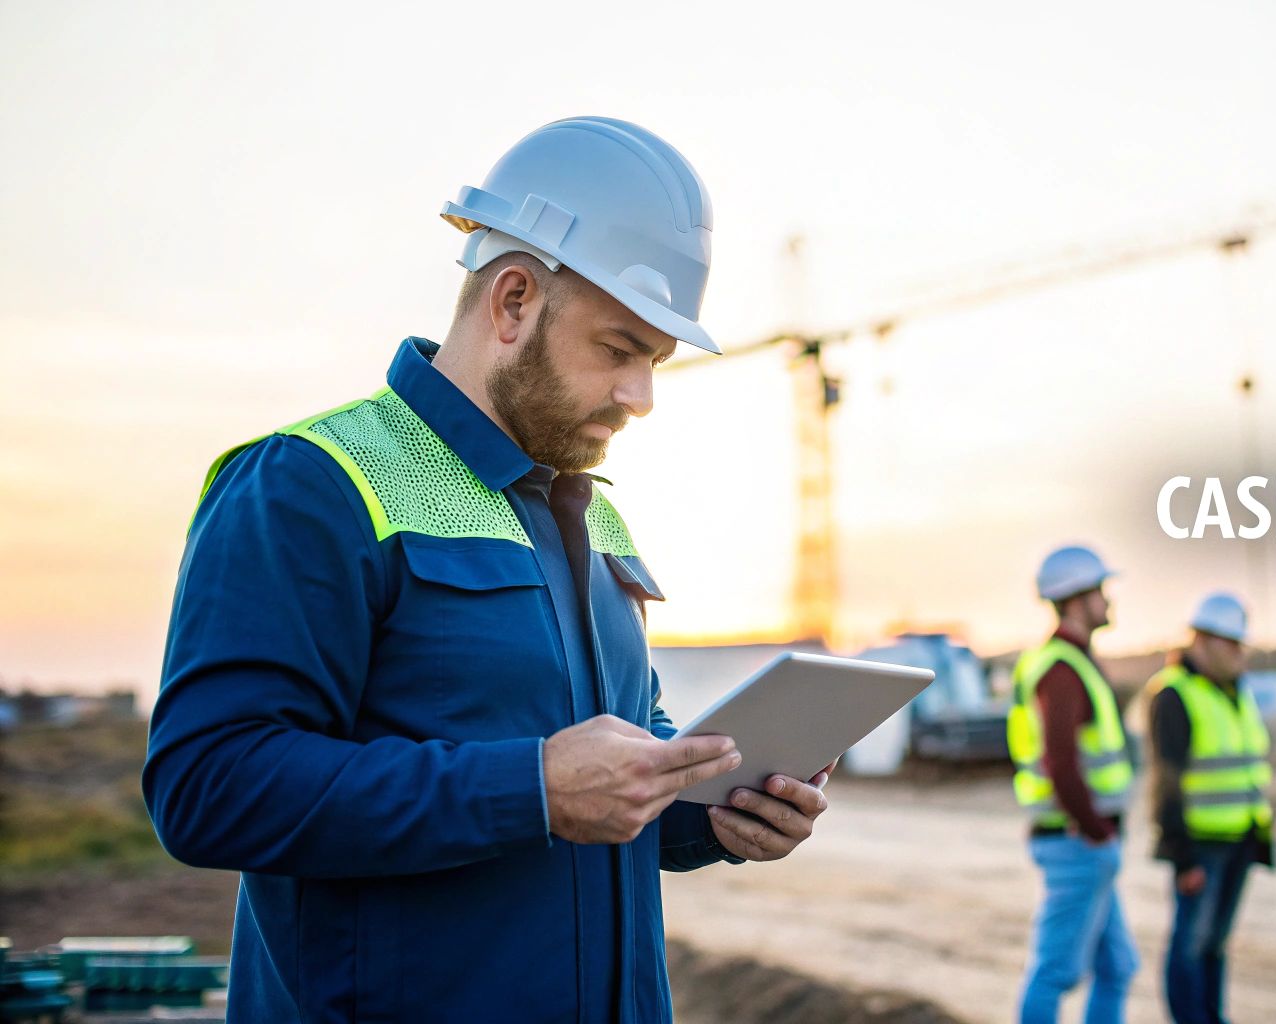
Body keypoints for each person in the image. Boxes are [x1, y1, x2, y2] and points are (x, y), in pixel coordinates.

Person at [142, 118, 831, 1023]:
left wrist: (716, 815)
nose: (642, 397)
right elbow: (209, 786)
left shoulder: (594, 515)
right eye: (619, 349)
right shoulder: (311, 484)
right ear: (512, 302)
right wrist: (529, 788)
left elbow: (616, 778)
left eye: (655, 363)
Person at [1007, 544, 1139, 1024]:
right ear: (1078, 599)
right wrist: (1097, 831)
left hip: (1083, 839)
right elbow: (1061, 762)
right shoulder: (1061, 669)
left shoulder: (1070, 661)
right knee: (1054, 973)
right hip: (1077, 841)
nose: (1109, 600)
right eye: (1101, 591)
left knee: (1117, 966)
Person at [1146, 592, 1272, 1024]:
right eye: (1232, 643)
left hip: (1239, 839)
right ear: (1202, 640)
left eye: (1242, 644)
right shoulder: (1174, 694)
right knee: (1190, 946)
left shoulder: (1235, 692)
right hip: (1200, 847)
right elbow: (1166, 783)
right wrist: (1181, 856)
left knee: (1215, 945)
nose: (1240, 653)